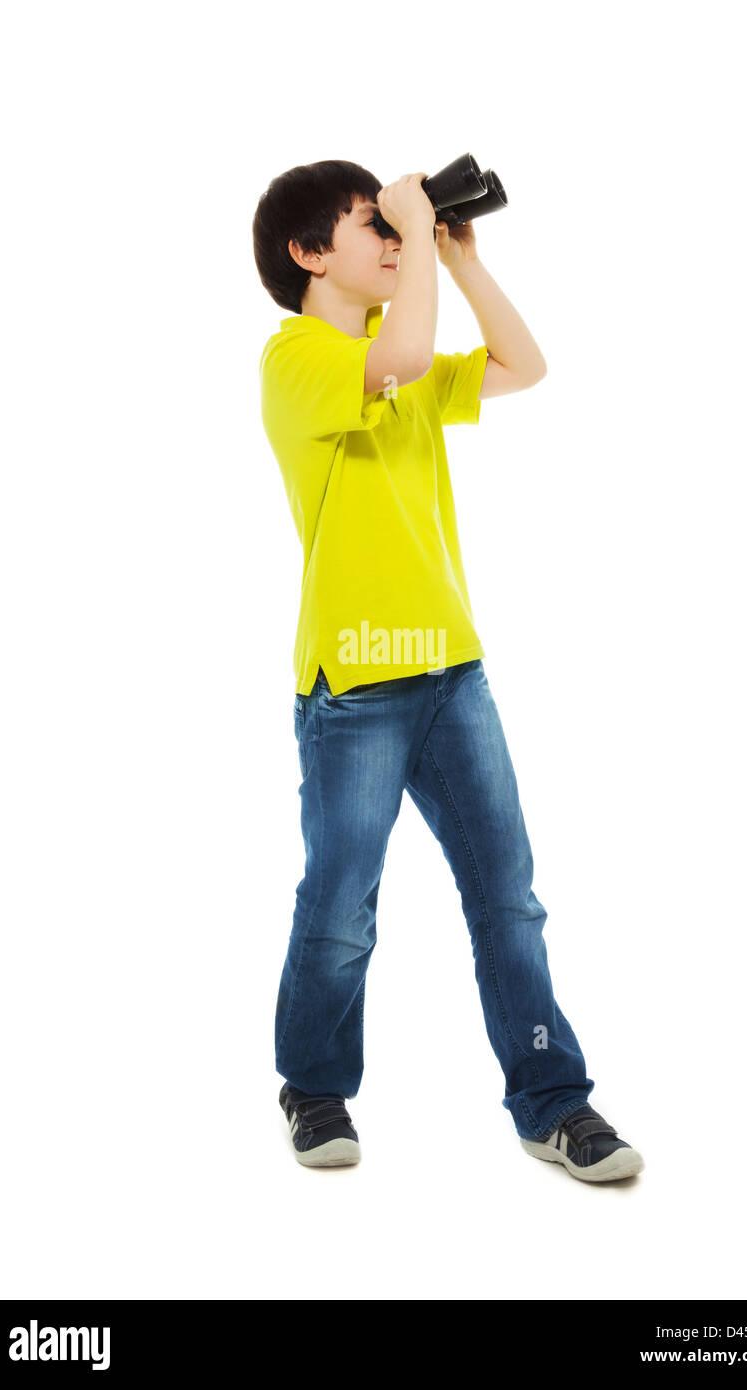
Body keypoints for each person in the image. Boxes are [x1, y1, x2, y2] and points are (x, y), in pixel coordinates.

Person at [252, 160, 644, 1182]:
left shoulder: (405, 355)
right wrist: (419, 239)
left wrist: (457, 256)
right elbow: (405, 349)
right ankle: (314, 1085)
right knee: (341, 905)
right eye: (367, 225)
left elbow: (523, 365)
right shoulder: (296, 359)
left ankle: (552, 1100)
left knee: (505, 898)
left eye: (395, 229)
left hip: (451, 673)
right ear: (306, 254)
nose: (390, 239)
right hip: (356, 687)